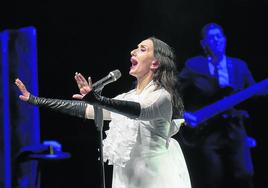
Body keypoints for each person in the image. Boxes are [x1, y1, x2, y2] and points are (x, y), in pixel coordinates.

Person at [15, 37, 192, 188]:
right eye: (136, 48)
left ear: (155, 63)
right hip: (127, 179)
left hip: (154, 179)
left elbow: (139, 111)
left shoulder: (161, 97)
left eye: (142, 49)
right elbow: (87, 110)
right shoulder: (127, 96)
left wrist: (98, 99)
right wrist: (35, 99)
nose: (133, 51)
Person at [177, 23, 256, 188]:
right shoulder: (194, 65)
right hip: (208, 131)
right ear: (204, 44)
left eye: (219, 36)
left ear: (225, 40)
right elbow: (174, 91)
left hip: (235, 128)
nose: (216, 41)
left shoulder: (239, 66)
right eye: (211, 38)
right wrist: (184, 114)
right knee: (213, 178)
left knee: (245, 174)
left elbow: (254, 95)